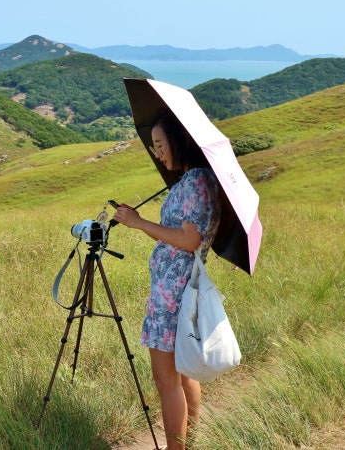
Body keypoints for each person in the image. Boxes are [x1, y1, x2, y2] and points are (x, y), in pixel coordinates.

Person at [112, 110, 221, 450]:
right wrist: (140, 222)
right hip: (174, 287)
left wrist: (139, 223)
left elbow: (189, 240)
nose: (157, 152)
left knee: (166, 381)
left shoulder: (195, 182)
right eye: (153, 146)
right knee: (183, 372)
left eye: (160, 144)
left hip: (171, 295)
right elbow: (175, 237)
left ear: (181, 140)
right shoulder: (195, 180)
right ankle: (187, 443)